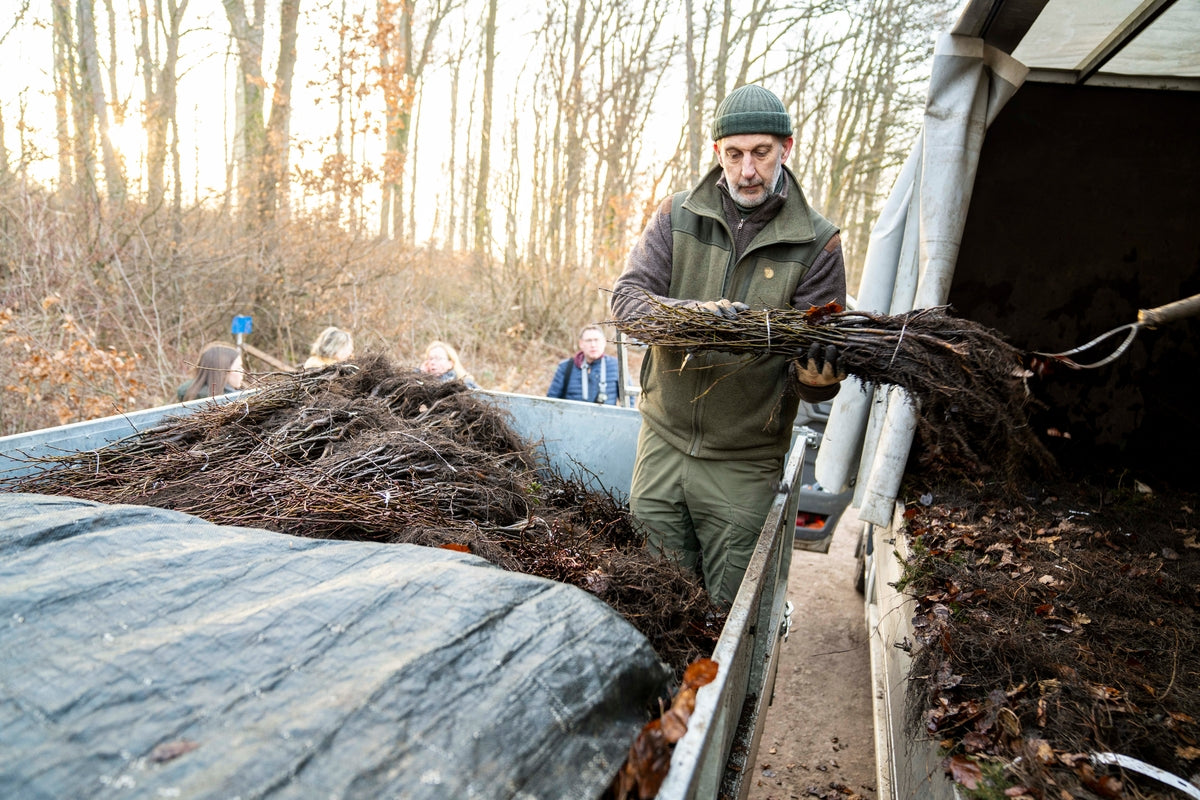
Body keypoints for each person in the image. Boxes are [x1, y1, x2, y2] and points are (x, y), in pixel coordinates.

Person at [609, 84, 848, 606]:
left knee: (726, 613)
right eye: (734, 154)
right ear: (717, 152)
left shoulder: (818, 242)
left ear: (785, 148)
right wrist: (689, 319)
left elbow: (816, 367)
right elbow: (627, 301)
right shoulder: (675, 216)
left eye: (761, 153)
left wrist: (814, 384)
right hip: (662, 446)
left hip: (743, 464)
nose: (747, 170)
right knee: (651, 600)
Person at [546, 325, 620, 405]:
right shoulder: (566, 367)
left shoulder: (616, 366)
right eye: (588, 341)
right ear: (581, 343)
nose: (593, 345)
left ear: (604, 342)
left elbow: (628, 401)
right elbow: (551, 400)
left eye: (596, 340)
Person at [176, 342, 245, 402]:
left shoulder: (189, 397)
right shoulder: (230, 402)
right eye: (238, 367)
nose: (242, 372)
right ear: (223, 372)